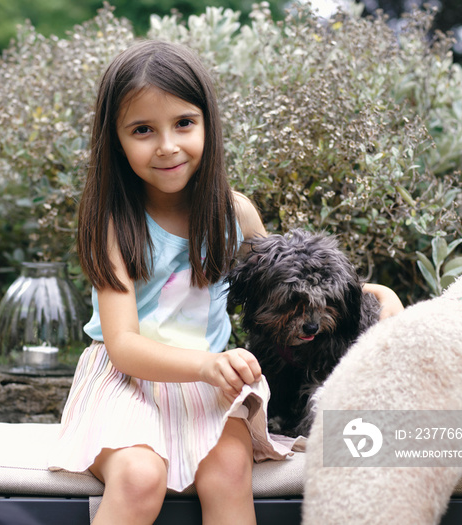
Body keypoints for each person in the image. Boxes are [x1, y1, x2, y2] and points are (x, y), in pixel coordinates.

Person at [49, 39, 403, 525]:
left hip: (206, 389)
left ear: (208, 125)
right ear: (115, 140)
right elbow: (124, 345)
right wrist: (208, 363)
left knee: (230, 470)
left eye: (184, 123)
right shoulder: (115, 223)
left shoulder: (232, 213)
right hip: (125, 383)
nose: (168, 145)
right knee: (139, 477)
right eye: (143, 130)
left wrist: (374, 296)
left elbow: (284, 280)